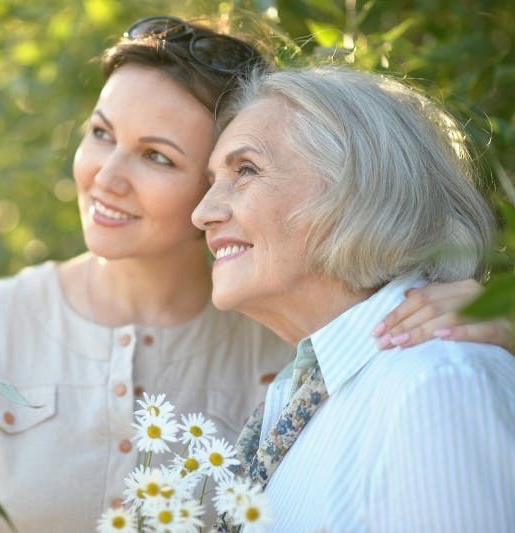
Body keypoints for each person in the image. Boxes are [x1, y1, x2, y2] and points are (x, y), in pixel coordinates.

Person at [0, 17, 511, 532]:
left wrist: (498, 323)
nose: (107, 175)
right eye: (100, 133)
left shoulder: (322, 350)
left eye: (158, 156)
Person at [193, 65, 515, 530]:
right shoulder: (301, 391)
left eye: (246, 170)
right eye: (211, 181)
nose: (201, 213)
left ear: (359, 186)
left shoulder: (436, 383)